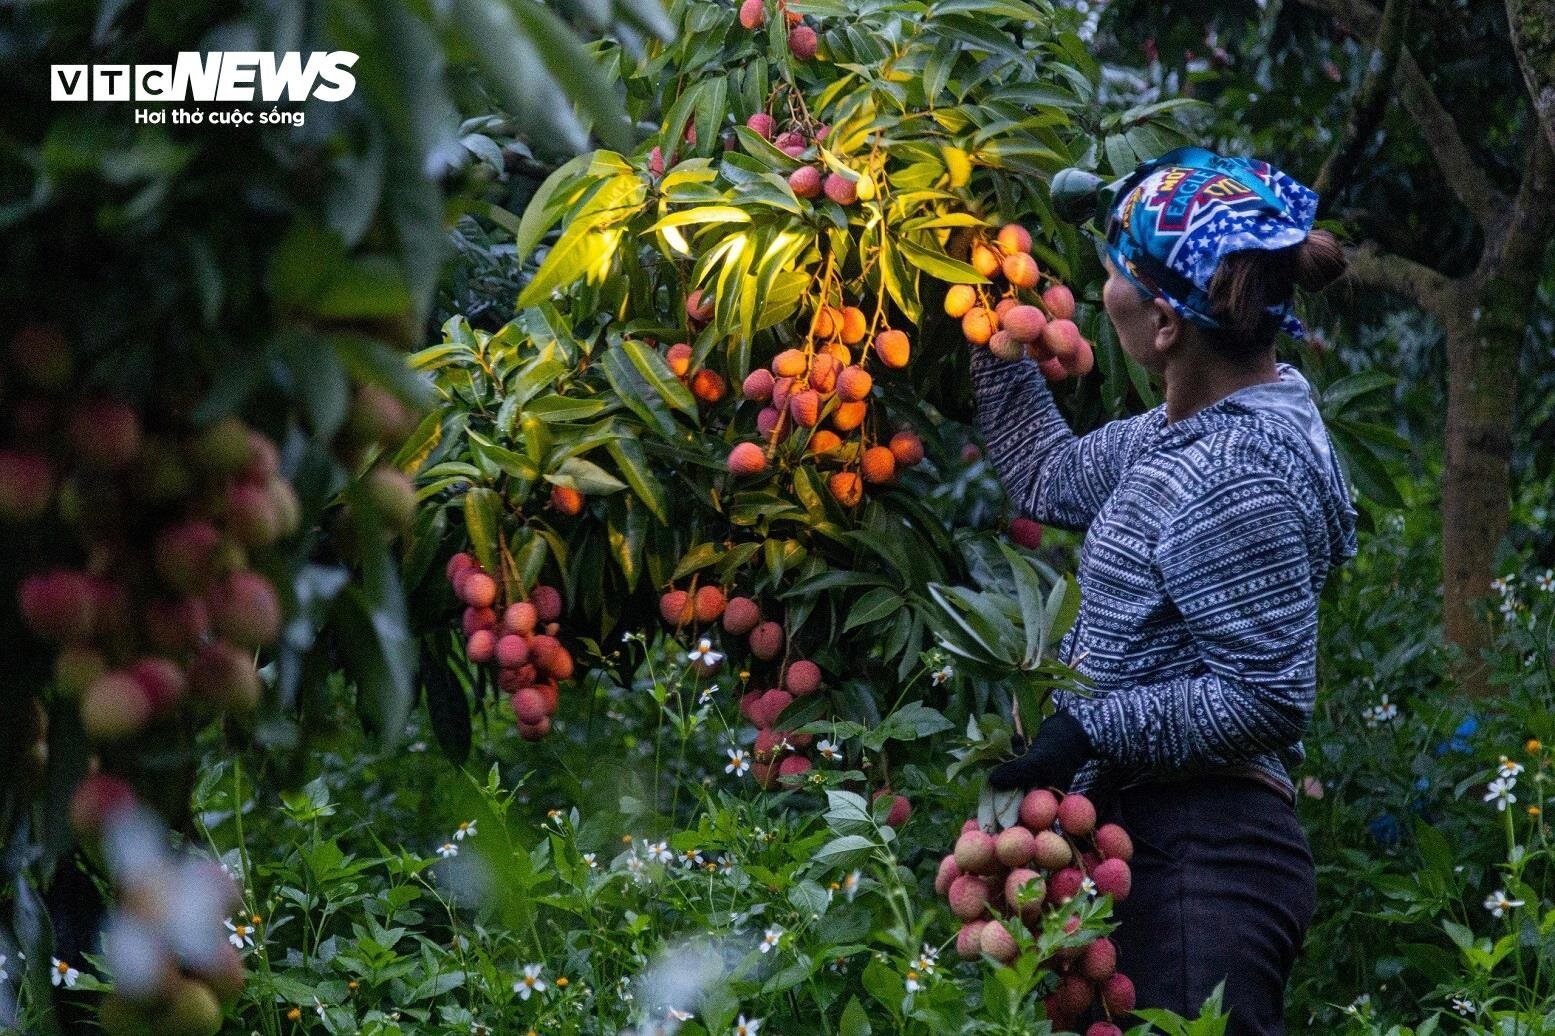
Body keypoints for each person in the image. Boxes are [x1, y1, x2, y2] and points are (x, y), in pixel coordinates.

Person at [972, 147, 1358, 1034]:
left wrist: (1086, 727)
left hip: (1202, 863)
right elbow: (1048, 474)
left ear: (1163, 327)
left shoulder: (1238, 473)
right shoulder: (1186, 428)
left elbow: (1265, 697)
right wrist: (988, 322)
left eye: (1112, 274)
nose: (1097, 287)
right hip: (1149, 847)